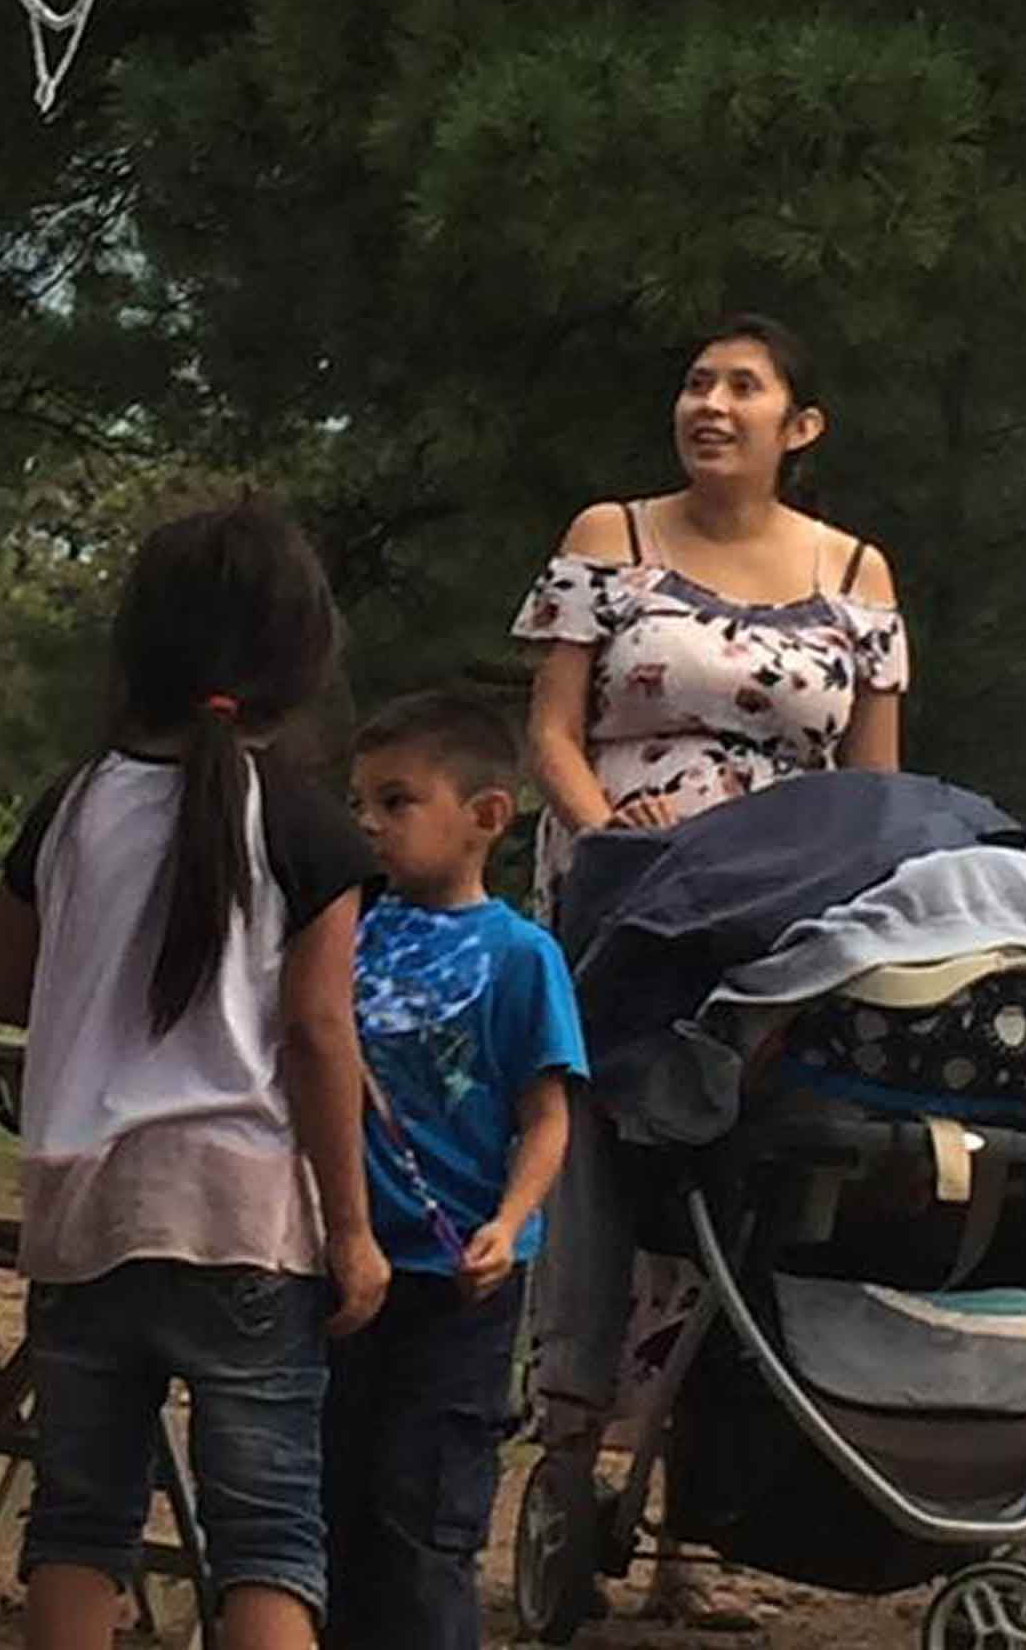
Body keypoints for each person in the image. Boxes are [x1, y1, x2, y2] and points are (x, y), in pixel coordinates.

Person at [0, 499, 388, 1650]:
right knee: (266, 1533)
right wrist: (350, 1232)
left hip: (80, 1215)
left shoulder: (72, 803)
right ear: (299, 657)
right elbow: (317, 1034)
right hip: (243, 1224)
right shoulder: (306, 827)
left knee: (80, 1519)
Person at [513, 313, 907, 1495]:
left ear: (803, 425)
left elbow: (878, 783)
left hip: (781, 917)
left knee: (752, 1177)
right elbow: (549, 730)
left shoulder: (856, 573)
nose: (711, 406)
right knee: (606, 1152)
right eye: (695, 383)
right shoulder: (611, 536)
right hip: (626, 897)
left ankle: (705, 1494)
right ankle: (574, 1454)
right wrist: (603, 837)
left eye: (743, 387)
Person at [324, 687, 585, 1650]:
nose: (370, 825)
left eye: (396, 802)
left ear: (484, 819)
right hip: (344, 1265)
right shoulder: (343, 931)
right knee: (329, 1504)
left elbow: (548, 1115)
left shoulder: (524, 956)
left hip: (456, 1283)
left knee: (427, 1518)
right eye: (361, 804)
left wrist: (510, 1224)